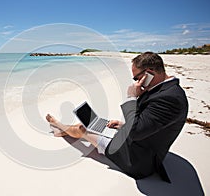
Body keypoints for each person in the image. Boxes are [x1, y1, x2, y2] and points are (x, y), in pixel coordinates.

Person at [46, 52, 188, 182]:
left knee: (83, 129)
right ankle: (63, 128)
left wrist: (131, 97)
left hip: (136, 159)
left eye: (137, 78)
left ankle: (59, 126)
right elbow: (151, 122)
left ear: (149, 73)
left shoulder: (170, 98)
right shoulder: (165, 89)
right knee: (96, 124)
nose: (135, 82)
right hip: (135, 140)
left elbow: (137, 132)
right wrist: (122, 125)